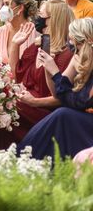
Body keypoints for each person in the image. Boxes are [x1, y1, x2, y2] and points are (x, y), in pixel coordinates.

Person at [20, 18, 93, 159]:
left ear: (87, 41)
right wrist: (49, 69)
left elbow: (79, 102)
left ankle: (25, 158)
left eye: (73, 41)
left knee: (62, 115)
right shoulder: (77, 56)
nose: (70, 45)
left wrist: (55, 73)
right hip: (79, 116)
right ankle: (25, 157)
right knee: (61, 115)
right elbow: (58, 93)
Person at [5, 0, 74, 143]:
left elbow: (62, 98)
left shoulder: (66, 55)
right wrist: (15, 44)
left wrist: (34, 102)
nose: (37, 20)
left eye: (41, 17)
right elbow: (15, 75)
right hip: (27, 104)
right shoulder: (38, 46)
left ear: (53, 21)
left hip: (45, 112)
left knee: (6, 110)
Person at [0, 0, 39, 64]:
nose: (3, 8)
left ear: (20, 8)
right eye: (3, 4)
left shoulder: (32, 32)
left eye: (7, 4)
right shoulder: (2, 31)